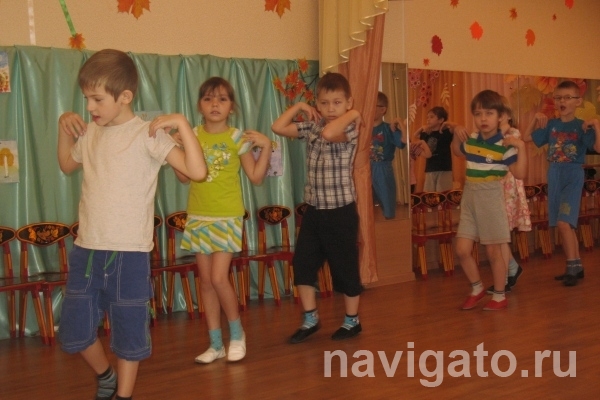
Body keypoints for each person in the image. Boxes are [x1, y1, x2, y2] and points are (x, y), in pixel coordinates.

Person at [57, 49, 207, 400]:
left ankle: (123, 395)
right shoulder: (90, 133)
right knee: (75, 330)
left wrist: (182, 124)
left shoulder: (146, 134)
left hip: (129, 254)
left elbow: (197, 172)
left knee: (129, 334)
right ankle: (105, 375)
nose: (90, 107)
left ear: (124, 96)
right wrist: (64, 126)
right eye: (86, 98)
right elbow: (66, 164)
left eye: (97, 99)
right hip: (87, 250)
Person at [173, 77, 272, 364]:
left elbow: (255, 177)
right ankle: (216, 344)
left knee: (218, 278)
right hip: (198, 215)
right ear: (199, 106)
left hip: (227, 215)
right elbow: (184, 177)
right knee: (206, 282)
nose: (215, 104)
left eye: (222, 99)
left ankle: (237, 335)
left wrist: (266, 147)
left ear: (231, 107)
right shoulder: (192, 134)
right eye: (208, 99)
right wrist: (172, 149)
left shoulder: (236, 137)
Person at [271, 72, 363, 343]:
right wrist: (300, 106)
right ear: (317, 104)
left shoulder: (350, 127)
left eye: (337, 102)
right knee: (302, 265)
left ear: (348, 102)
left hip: (341, 212)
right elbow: (278, 127)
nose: (330, 109)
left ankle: (352, 321)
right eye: (324, 103)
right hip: (314, 210)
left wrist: (354, 112)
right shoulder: (313, 126)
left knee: (345, 268)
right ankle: (310, 319)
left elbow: (330, 132)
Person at [451, 90, 527, 311]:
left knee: (494, 252)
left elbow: (520, 173)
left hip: (491, 198)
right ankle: (477, 288)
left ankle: (500, 296)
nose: (483, 118)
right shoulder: (473, 139)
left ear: (500, 116)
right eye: (478, 114)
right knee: (462, 250)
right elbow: (457, 151)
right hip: (470, 198)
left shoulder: (504, 145)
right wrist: (456, 132)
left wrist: (521, 147)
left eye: (489, 113)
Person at [523, 80, 600, 286]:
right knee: (563, 224)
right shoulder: (551, 124)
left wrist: (596, 125)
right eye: (558, 98)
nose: (562, 101)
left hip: (572, 174)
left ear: (578, 101)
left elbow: (598, 148)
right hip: (555, 173)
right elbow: (526, 137)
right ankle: (576, 267)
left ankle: (572, 267)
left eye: (567, 97)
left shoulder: (581, 126)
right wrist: (535, 119)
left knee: (565, 223)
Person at [486, 99, 529, 294]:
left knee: (500, 235)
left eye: (500, 114)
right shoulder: (492, 135)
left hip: (508, 189)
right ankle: (511, 269)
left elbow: (504, 145)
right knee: (498, 236)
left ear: (508, 116)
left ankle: (503, 279)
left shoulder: (513, 133)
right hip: (496, 188)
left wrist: (501, 129)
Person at [370, 91, 406, 219]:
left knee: (388, 205)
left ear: (383, 109)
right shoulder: (363, 128)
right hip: (365, 168)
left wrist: (400, 123)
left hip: (383, 169)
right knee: (364, 206)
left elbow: (404, 141)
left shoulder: (388, 128)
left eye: (373, 105)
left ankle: (390, 226)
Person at [413, 106, 454, 192]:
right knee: (429, 194)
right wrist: (422, 127)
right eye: (427, 117)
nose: (428, 119)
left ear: (441, 120)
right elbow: (415, 135)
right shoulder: (427, 133)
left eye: (431, 117)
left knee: (443, 193)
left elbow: (455, 128)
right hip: (430, 168)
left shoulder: (445, 132)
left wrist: (446, 124)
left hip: (444, 168)